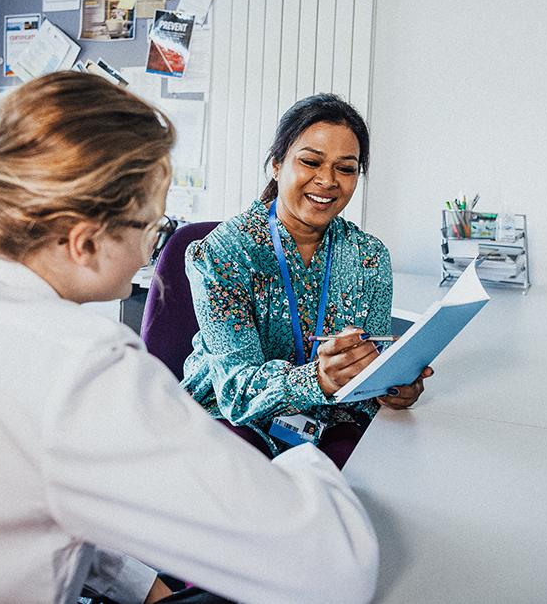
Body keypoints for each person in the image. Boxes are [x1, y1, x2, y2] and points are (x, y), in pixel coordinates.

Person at [0, 73, 378, 604]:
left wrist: (141, 581)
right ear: (85, 240)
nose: (157, 244)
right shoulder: (80, 365)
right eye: (155, 221)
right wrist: (306, 461)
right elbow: (336, 569)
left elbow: (23, 494)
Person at [181, 93, 433, 465]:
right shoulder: (223, 253)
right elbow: (236, 390)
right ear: (277, 165)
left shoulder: (369, 257)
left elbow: (369, 369)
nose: (328, 180)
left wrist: (391, 385)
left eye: (346, 169)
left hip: (328, 419)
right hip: (229, 421)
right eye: (311, 162)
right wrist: (316, 379)